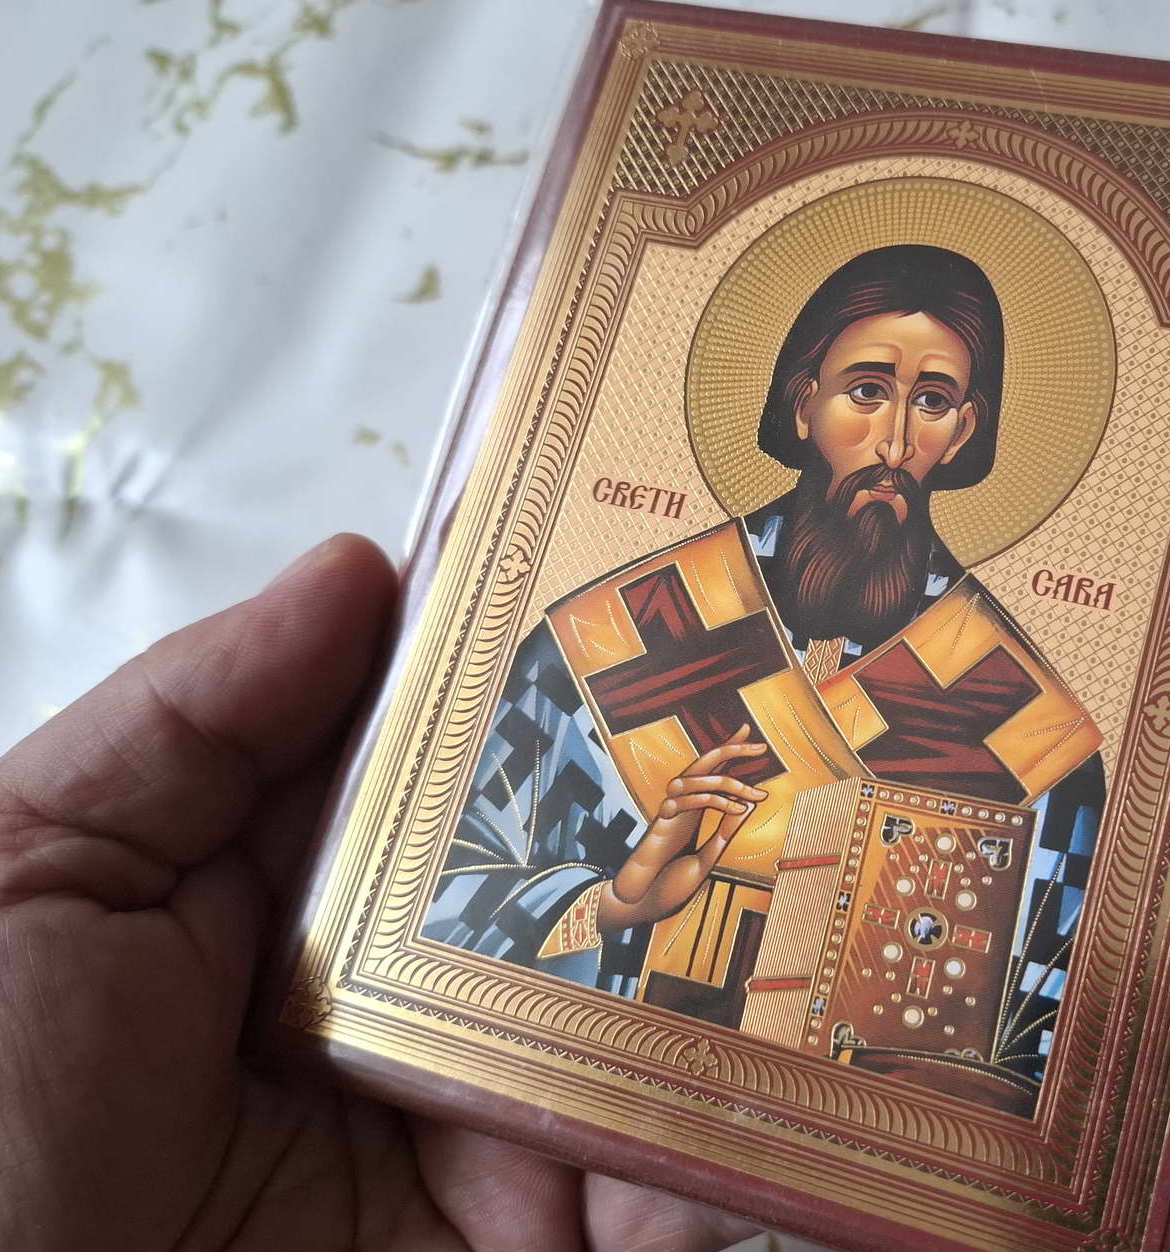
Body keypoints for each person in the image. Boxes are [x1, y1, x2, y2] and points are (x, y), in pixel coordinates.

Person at [0, 534, 754, 1252]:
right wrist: (604, 905)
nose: (885, 449)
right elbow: (445, 874)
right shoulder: (618, 631)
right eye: (853, 405)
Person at [428, 246, 1103, 1090]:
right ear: (803, 403)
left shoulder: (1030, 731)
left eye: (931, 401)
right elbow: (434, 900)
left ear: (962, 432)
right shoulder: (605, 642)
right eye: (867, 391)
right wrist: (610, 905)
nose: (895, 442)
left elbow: (1052, 1037)